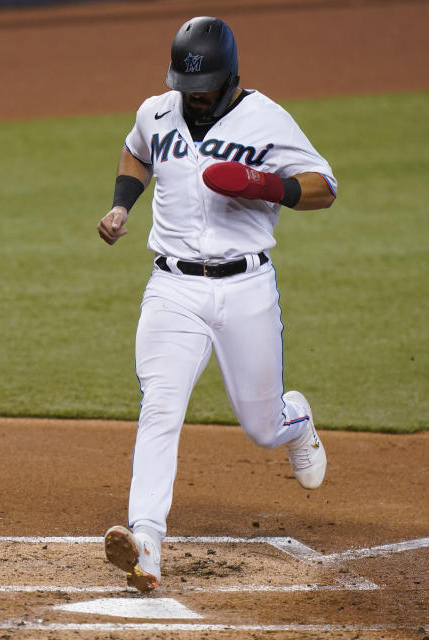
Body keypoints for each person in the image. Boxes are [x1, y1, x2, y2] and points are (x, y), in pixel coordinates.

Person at [97, 16, 337, 593]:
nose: (193, 99)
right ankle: (146, 543)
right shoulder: (156, 111)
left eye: (203, 89)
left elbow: (324, 187)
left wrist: (265, 186)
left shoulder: (266, 119)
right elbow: (136, 153)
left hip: (246, 289)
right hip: (172, 289)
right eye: (185, 86)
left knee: (261, 425)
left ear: (231, 78)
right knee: (160, 407)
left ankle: (296, 421)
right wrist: (122, 207)